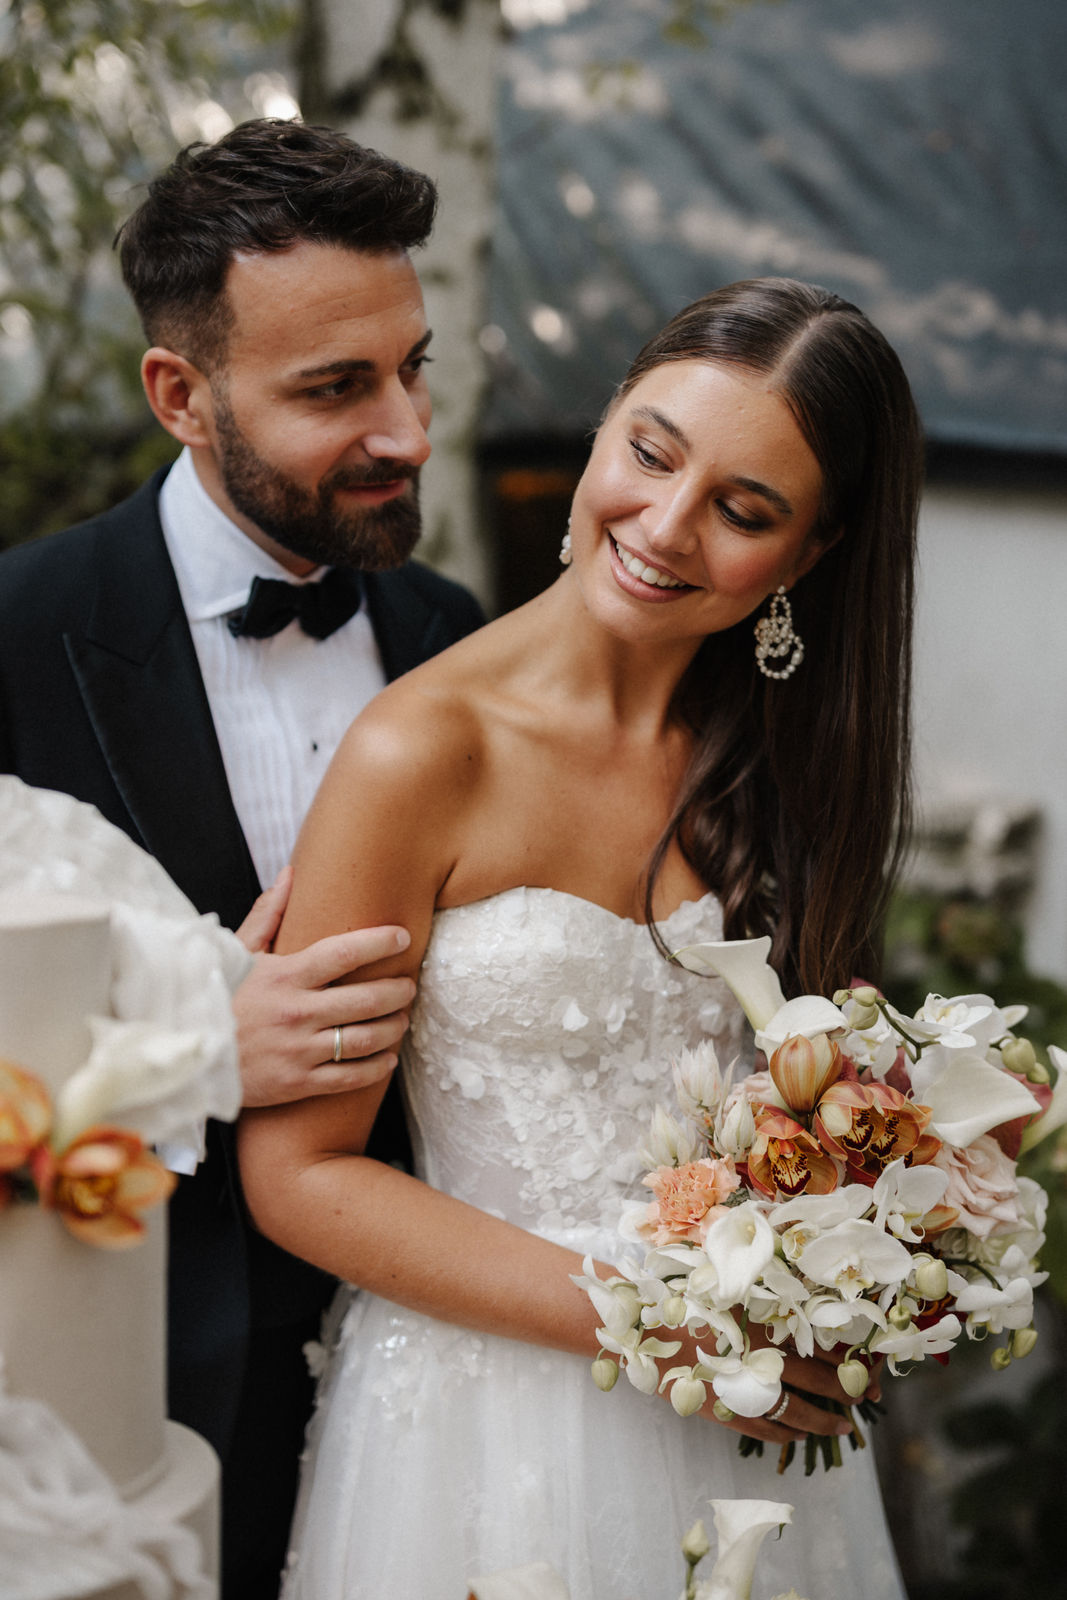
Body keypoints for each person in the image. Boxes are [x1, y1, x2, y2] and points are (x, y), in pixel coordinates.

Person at [238, 277, 921, 1599]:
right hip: (476, 1431)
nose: (663, 526)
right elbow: (303, 1173)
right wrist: (659, 1321)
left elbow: (838, 1104)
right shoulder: (419, 749)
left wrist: (876, 1265)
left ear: (813, 554)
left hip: (742, 1425)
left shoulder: (790, 761)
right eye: (651, 452)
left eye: (743, 510)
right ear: (605, 423)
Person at [0, 119, 485, 1597]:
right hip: (120, 1393)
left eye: (411, 366)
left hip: (437, 1383)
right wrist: (186, 1037)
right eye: (336, 388)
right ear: (180, 393)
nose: (404, 431)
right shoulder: (17, 633)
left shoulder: (455, 638)